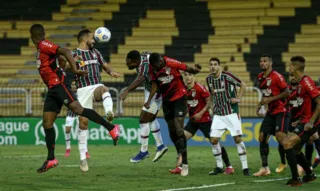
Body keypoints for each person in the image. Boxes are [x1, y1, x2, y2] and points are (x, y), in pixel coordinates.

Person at [30, 24, 120, 173]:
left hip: (59, 85)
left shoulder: (43, 44)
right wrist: (65, 64)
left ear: (32, 36)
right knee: (47, 122)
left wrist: (75, 68)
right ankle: (51, 159)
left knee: (79, 110)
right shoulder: (41, 49)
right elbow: (60, 57)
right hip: (52, 89)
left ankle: (111, 127)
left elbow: (64, 51)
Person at [70, 29, 121, 172]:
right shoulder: (74, 54)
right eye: (92, 38)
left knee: (105, 89)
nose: (94, 40)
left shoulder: (96, 52)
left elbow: (105, 66)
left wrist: (111, 72)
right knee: (83, 124)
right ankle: (82, 158)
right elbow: (66, 68)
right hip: (82, 89)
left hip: (96, 85)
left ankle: (109, 113)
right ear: (84, 39)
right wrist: (71, 65)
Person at [145, 53, 201, 176]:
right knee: (172, 131)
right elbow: (154, 85)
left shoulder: (170, 62)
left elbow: (186, 67)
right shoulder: (152, 69)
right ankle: (180, 154)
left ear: (161, 60)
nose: (158, 66)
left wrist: (195, 71)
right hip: (167, 100)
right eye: (155, 65)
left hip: (179, 97)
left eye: (159, 64)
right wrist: (149, 100)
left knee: (179, 127)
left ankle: (185, 163)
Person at [169, 71, 233, 175]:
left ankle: (229, 166)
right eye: (186, 75)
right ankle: (180, 166)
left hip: (204, 120)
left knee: (214, 141)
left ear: (193, 76)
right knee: (181, 140)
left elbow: (209, 101)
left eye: (190, 75)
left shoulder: (199, 88)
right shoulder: (183, 89)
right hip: (193, 121)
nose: (188, 77)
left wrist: (201, 113)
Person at [121, 50, 167, 163]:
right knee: (151, 119)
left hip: (157, 91)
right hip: (149, 89)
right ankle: (160, 146)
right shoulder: (141, 59)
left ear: (136, 61)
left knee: (143, 119)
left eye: (129, 64)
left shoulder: (145, 65)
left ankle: (144, 151)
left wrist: (127, 90)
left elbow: (140, 79)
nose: (128, 66)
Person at [205, 57, 249, 176]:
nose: (213, 66)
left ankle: (245, 168)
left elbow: (243, 84)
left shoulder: (227, 76)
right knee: (213, 140)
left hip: (231, 113)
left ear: (219, 66)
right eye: (211, 64)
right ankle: (219, 166)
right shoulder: (208, 79)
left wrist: (239, 98)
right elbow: (211, 93)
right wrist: (211, 106)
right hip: (218, 114)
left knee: (237, 139)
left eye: (215, 64)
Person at [282, 56, 319, 186]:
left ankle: (295, 179)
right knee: (296, 150)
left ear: (295, 67)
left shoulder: (306, 81)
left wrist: (311, 121)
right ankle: (309, 174)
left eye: (290, 66)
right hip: (304, 120)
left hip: (312, 122)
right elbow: (306, 105)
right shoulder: (299, 84)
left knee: (287, 143)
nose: (288, 68)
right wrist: (299, 121)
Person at [253, 54, 290, 177]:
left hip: (281, 111)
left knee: (281, 138)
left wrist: (271, 99)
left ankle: (297, 163)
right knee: (262, 137)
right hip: (271, 112)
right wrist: (260, 104)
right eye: (260, 61)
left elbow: (286, 92)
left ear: (270, 63)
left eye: (265, 61)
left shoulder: (277, 76)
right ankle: (265, 168)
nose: (262, 63)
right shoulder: (260, 77)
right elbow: (265, 95)